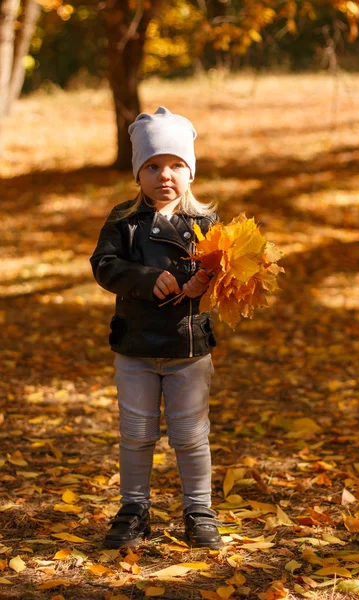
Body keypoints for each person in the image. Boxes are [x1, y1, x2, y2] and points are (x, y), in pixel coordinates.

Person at [90, 106, 223, 550]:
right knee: (137, 431)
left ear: (190, 172)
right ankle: (134, 508)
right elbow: (104, 265)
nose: (164, 174)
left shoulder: (206, 226)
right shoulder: (124, 221)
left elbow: (222, 273)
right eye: (152, 165)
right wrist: (148, 279)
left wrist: (208, 279)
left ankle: (198, 509)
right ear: (137, 173)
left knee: (189, 434)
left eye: (175, 164)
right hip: (136, 347)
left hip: (188, 349)